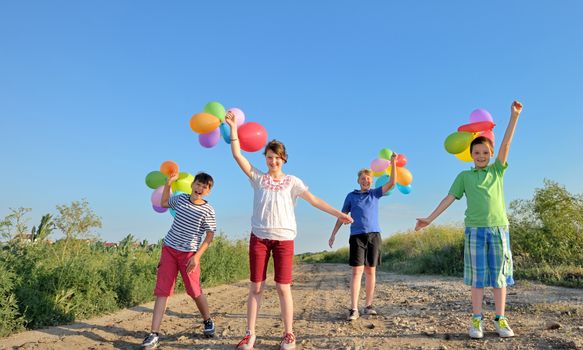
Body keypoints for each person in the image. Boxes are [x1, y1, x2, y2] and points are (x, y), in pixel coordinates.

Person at [225, 112, 353, 350]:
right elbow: (236, 154)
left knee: (283, 288)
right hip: (259, 238)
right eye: (269, 157)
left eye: (277, 158)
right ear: (265, 158)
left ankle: (288, 334)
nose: (273, 161)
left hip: (284, 239)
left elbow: (314, 200)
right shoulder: (258, 178)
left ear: (284, 159)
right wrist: (233, 128)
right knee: (256, 287)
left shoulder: (293, 181)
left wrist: (339, 214)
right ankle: (250, 334)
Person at [415, 101, 523, 339]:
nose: (481, 156)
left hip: (498, 229)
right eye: (477, 153)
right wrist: (430, 219)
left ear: (491, 154)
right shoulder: (464, 176)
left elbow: (506, 143)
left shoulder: (497, 171)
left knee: (498, 278)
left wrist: (514, 117)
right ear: (471, 155)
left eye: (485, 152)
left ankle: (500, 319)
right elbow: (449, 198)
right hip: (474, 231)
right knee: (477, 278)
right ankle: (476, 320)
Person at [140, 172, 217, 349]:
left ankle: (207, 320)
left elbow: (209, 235)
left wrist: (196, 257)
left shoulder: (208, 210)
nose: (200, 188)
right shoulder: (181, 199)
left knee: (194, 290)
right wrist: (168, 184)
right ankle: (154, 334)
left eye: (205, 187)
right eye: (198, 184)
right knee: (163, 290)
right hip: (169, 249)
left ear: (208, 191)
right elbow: (164, 203)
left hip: (189, 255)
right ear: (192, 185)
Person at [329, 153, 398, 321]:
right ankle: (353, 308)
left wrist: (393, 163)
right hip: (357, 237)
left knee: (370, 271)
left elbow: (392, 183)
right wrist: (333, 234)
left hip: (374, 236)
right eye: (363, 178)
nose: (365, 180)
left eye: (368, 178)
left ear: (372, 181)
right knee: (357, 271)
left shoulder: (375, 194)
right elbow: (342, 215)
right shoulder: (351, 196)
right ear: (358, 180)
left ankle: (368, 305)